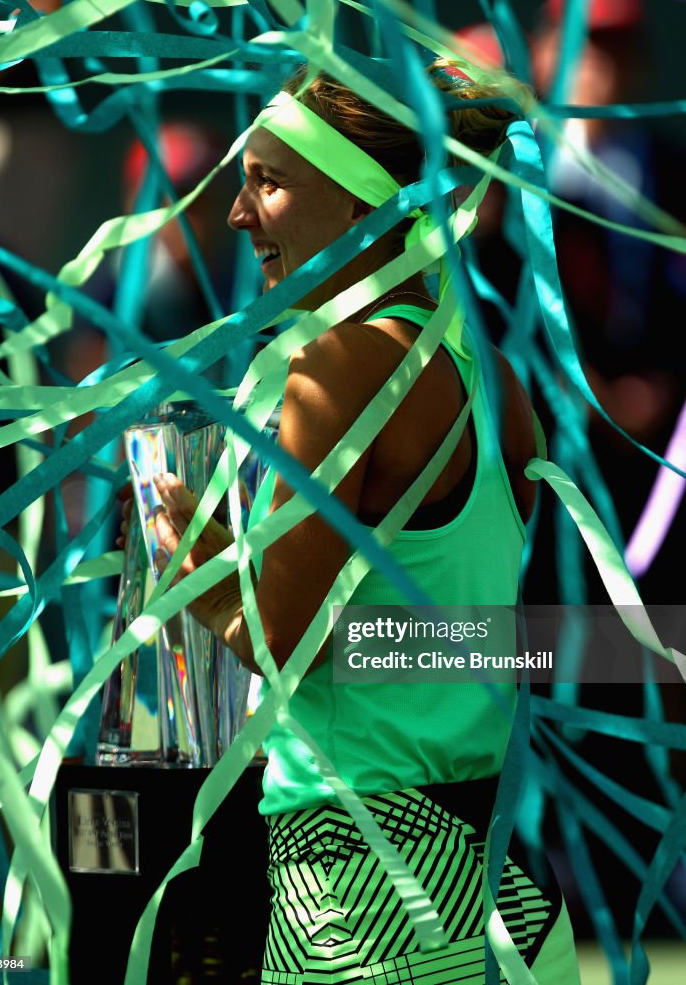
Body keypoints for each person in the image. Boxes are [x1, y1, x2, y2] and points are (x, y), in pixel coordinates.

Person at [138, 60, 581, 983]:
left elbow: (284, 640)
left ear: (359, 204)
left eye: (268, 180)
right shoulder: (493, 377)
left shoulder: (339, 366)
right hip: (501, 892)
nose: (236, 213)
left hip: (368, 901)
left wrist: (182, 558)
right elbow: (442, 641)